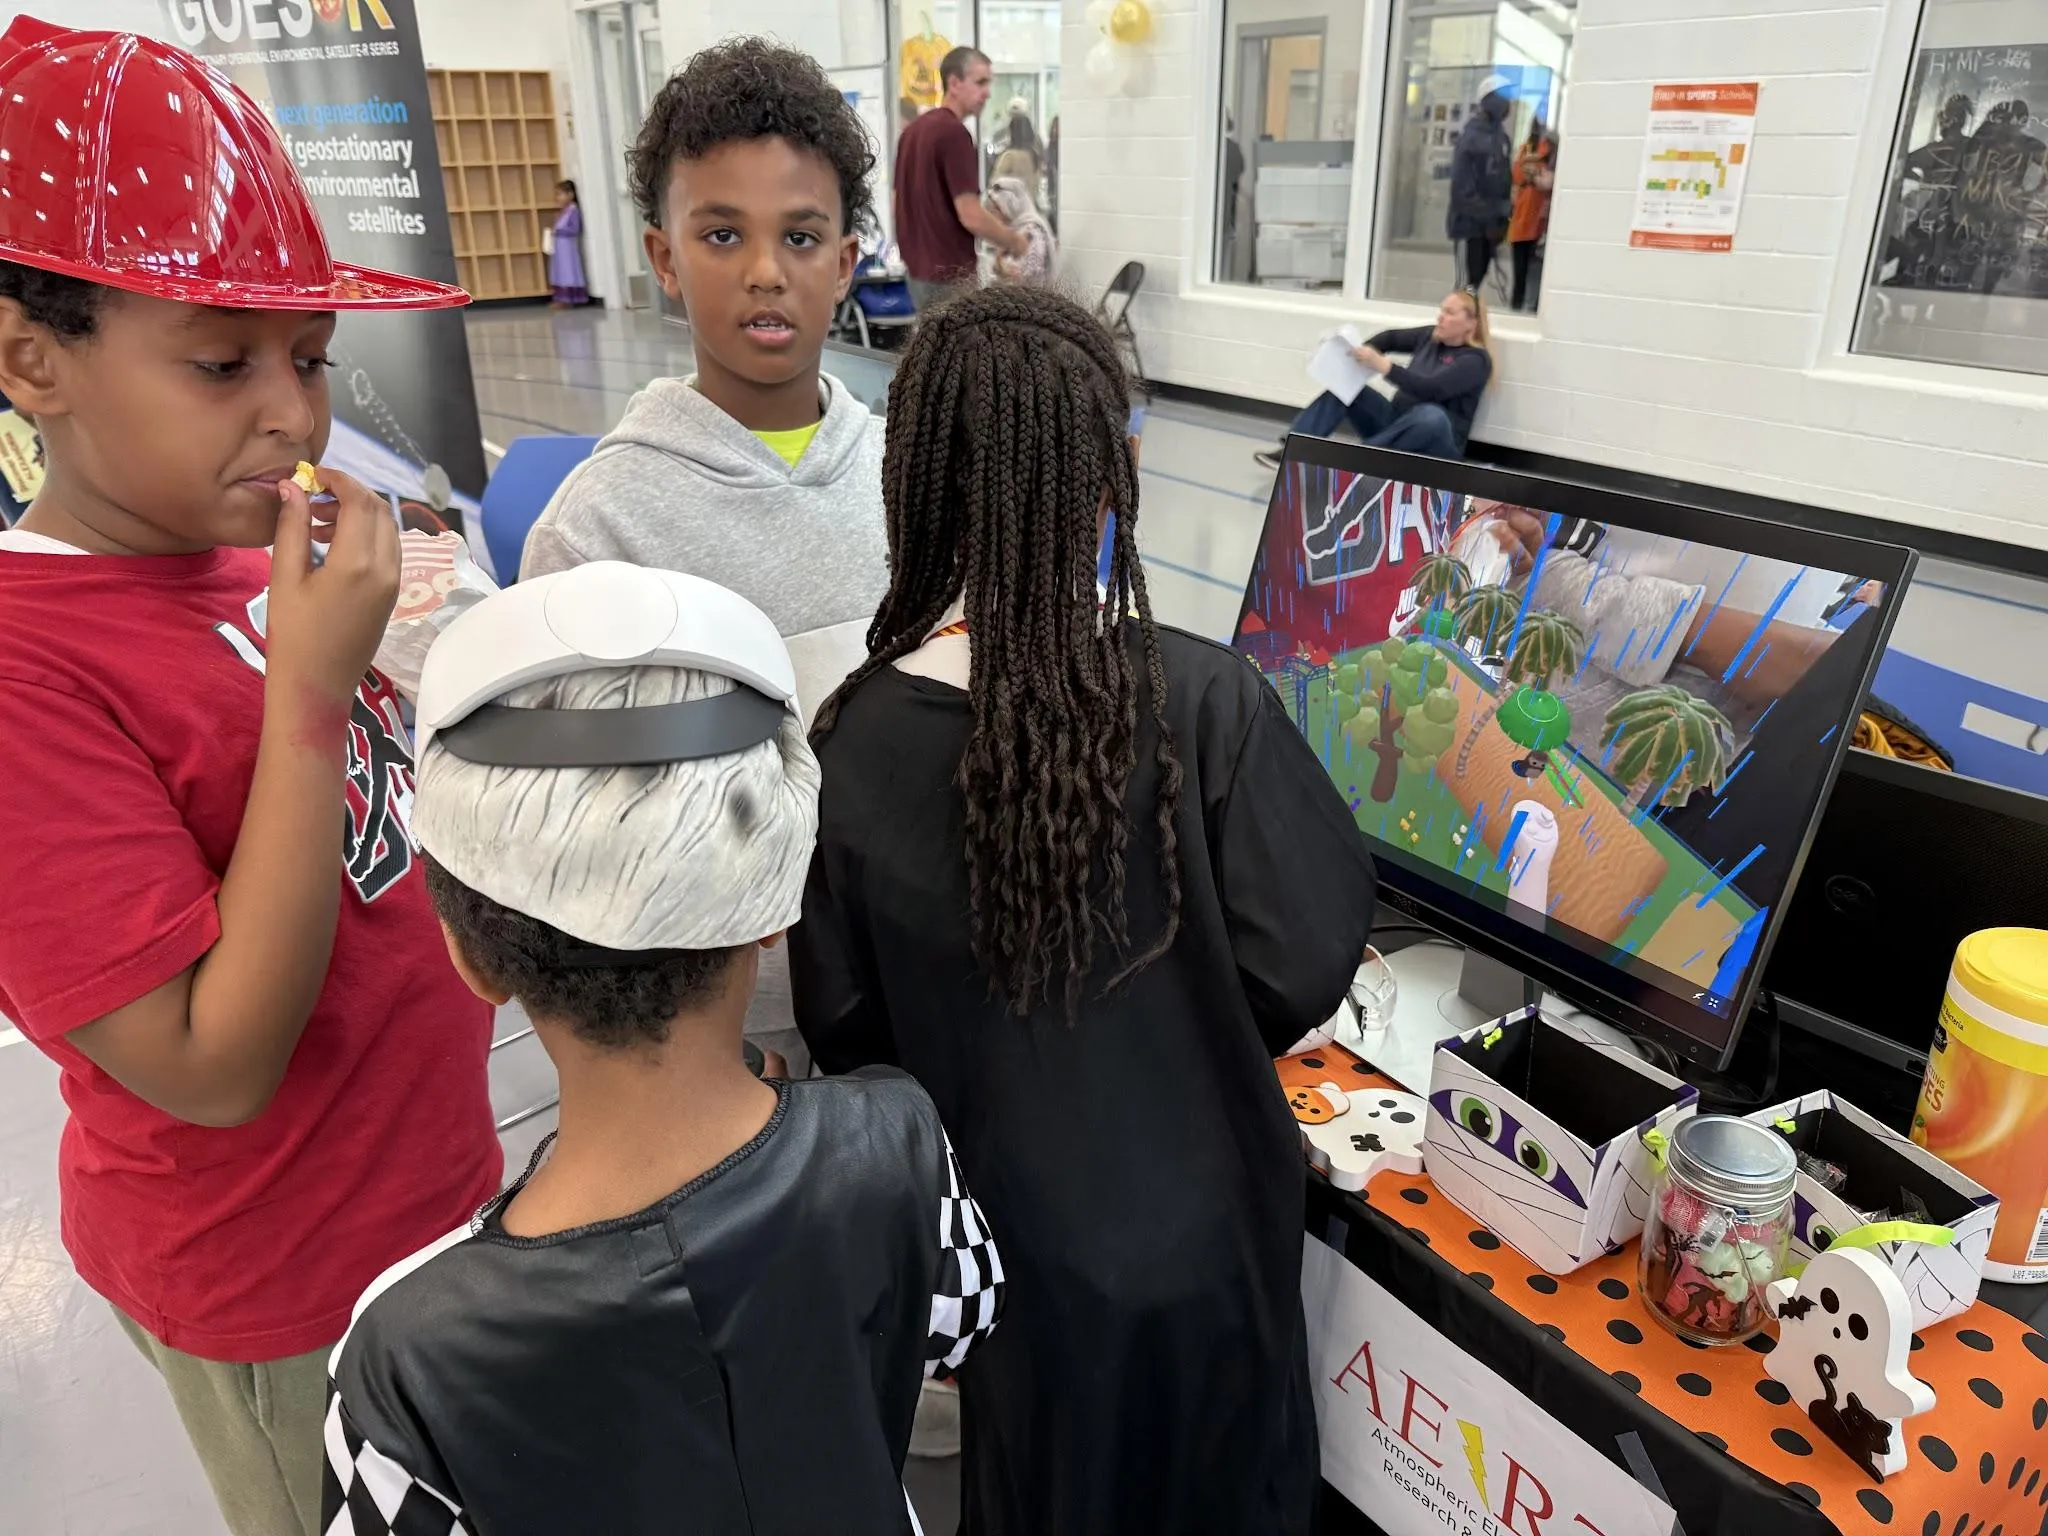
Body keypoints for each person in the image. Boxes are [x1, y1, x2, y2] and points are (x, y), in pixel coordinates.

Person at [0, 20, 499, 1536]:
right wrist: (311, 691)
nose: (293, 413)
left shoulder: (237, 562)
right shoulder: (30, 669)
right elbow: (208, 1062)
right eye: (222, 362)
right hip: (281, 1280)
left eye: (309, 358)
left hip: (433, 1199)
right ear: (34, 366)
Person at [791, 286, 1378, 1536]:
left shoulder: (846, 747)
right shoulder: (1203, 705)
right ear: (1110, 475)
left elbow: (848, 1032)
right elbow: (1301, 960)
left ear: (917, 483)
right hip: (1213, 1245)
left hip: (1010, 1273)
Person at [323, 562, 1005, 1534]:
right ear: (773, 906)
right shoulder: (896, 1138)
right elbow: (956, 1326)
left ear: (472, 953)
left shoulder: (404, 1356)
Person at [520, 38, 888, 1073]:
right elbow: (571, 840)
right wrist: (684, 1055)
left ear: (846, 262)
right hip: (724, 1047)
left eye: (802, 236)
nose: (766, 271)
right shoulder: (599, 530)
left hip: (921, 1000)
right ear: (664, 257)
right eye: (722, 233)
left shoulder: (914, 478)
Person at [1255, 288, 1493, 468]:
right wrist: (1360, 351)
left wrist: (1384, 366)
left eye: (1450, 313)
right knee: (1348, 391)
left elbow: (1431, 389)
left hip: (1438, 446)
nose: (1441, 317)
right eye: (1441, 310)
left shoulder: (1476, 361)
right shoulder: (1429, 337)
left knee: (1432, 415)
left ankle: (1354, 461)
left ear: (1471, 323)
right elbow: (1390, 338)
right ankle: (1294, 452)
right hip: (1397, 425)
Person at [893, 46, 1025, 307]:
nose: (987, 92)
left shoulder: (912, 132)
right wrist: (1013, 240)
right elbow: (971, 215)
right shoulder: (955, 134)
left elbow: (896, 203)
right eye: (980, 82)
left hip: (917, 275)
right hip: (949, 278)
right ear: (953, 83)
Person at [1448, 74, 1514, 290]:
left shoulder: (1501, 138)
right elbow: (1461, 189)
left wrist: (1502, 218)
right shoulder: (1472, 138)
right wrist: (1487, 218)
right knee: (1471, 282)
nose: (1507, 104)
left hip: (1492, 224)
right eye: (1502, 97)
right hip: (1473, 225)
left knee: (1479, 279)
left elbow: (1502, 181)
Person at [1507, 122, 1554, 311]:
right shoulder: (1530, 154)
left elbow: (1542, 182)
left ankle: (1521, 308)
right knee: (1524, 275)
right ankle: (1519, 309)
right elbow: (1520, 178)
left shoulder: (1544, 153)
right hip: (1527, 223)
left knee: (1528, 275)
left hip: (1534, 224)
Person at [985, 175, 1054, 283]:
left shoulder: (1032, 231)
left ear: (1009, 206)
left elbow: (1026, 278)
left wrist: (999, 264)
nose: (993, 215)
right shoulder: (1013, 230)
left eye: (996, 209)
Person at [547, 177, 590, 306]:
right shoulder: (564, 211)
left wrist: (559, 232)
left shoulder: (573, 210)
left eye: (560, 194)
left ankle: (570, 299)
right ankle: (560, 298)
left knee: (568, 271)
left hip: (568, 247)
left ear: (570, 194)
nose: (558, 198)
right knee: (560, 272)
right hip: (560, 246)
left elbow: (575, 229)